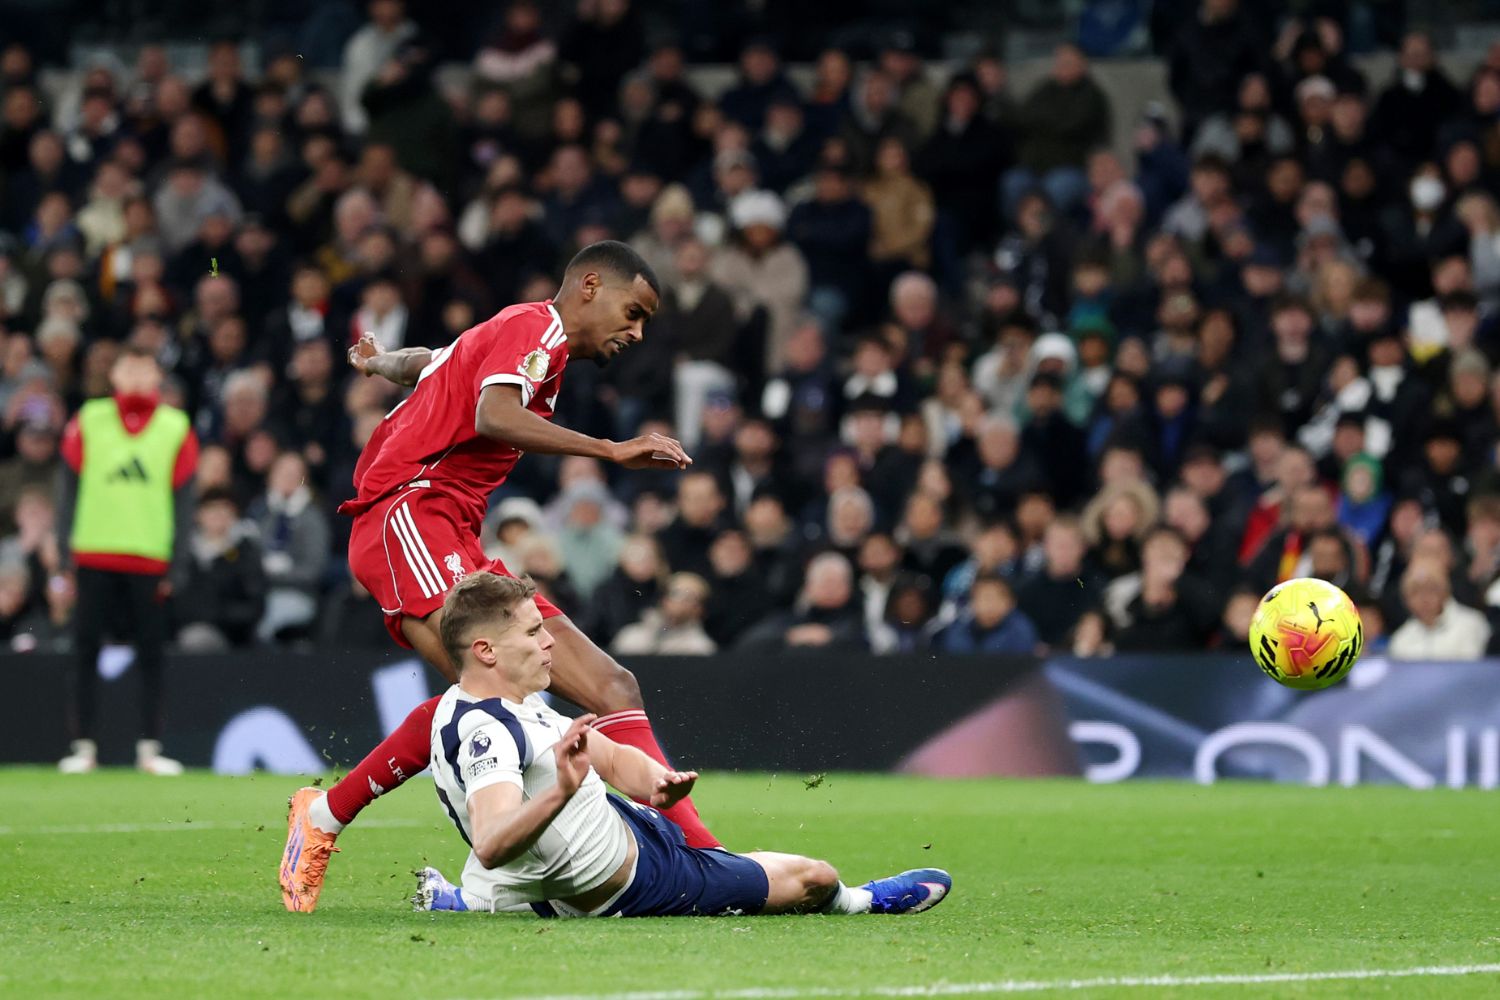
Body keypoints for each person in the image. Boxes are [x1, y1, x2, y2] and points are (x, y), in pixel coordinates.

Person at [280, 241, 713, 913]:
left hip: (453, 530)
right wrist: (610, 450)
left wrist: (382, 363)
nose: (636, 332)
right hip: (409, 513)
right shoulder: (533, 327)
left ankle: (706, 859)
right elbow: (492, 416)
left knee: (610, 685)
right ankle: (325, 820)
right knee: (487, 696)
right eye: (633, 312)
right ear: (590, 286)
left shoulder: (533, 347)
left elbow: (438, 361)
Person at [414, 573, 951, 918]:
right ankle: (863, 903)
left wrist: (654, 782)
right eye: (532, 633)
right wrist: (560, 794)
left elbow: (608, 756)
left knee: (563, 847)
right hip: (640, 881)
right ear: (485, 650)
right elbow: (489, 840)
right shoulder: (488, 732)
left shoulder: (499, 700)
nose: (549, 640)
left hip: (597, 846)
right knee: (813, 877)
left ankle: (463, 899)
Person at [55, 346, 197, 776]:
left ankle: (149, 748)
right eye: (128, 367)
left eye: (144, 367)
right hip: (93, 552)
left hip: (150, 558)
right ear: (113, 374)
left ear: (158, 375)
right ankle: (84, 747)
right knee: (84, 652)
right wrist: (64, 554)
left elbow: (184, 500)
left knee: (152, 656)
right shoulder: (89, 419)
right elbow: (67, 490)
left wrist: (178, 563)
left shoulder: (176, 426)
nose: (136, 375)